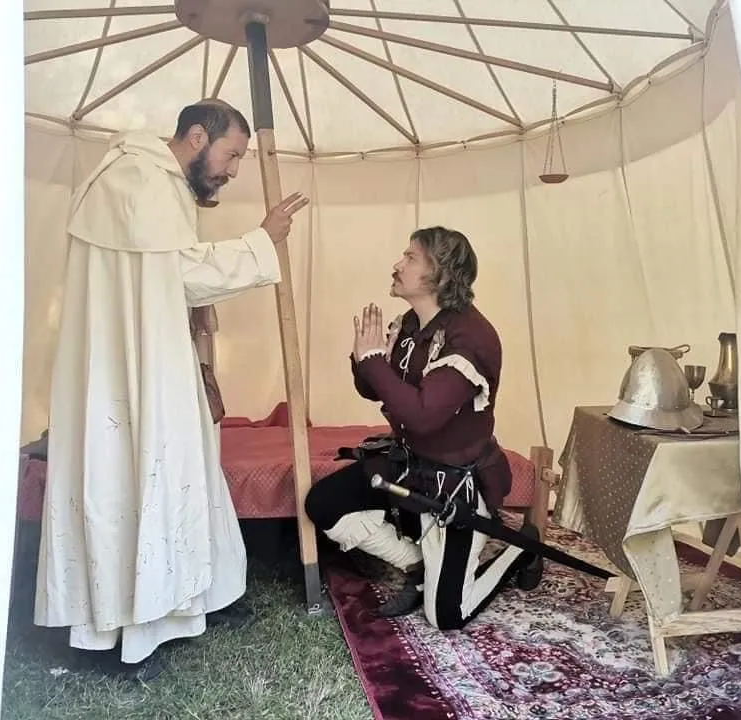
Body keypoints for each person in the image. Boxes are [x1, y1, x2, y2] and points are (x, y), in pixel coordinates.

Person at [33, 99, 309, 680]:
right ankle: (120, 632)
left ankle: (193, 600)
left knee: (182, 471)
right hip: (127, 369)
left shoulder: (144, 179)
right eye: (232, 155)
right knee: (128, 481)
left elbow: (163, 276)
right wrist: (262, 241)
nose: (233, 170)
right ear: (197, 135)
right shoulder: (141, 180)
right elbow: (184, 273)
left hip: (148, 357)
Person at [305, 226, 543, 629]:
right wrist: (365, 357)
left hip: (455, 485)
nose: (398, 264)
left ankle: (523, 548)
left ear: (441, 273)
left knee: (446, 616)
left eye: (410, 257)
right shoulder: (411, 324)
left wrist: (373, 362)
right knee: (324, 503)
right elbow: (373, 387)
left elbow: (422, 416)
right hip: (409, 465)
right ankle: (415, 563)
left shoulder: (471, 338)